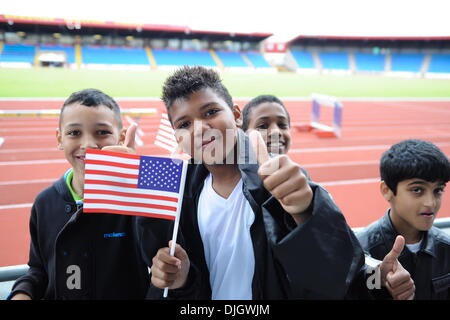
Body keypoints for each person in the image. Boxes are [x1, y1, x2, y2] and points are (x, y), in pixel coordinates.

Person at [147, 66, 414, 300]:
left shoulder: (280, 178)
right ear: (176, 137)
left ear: (237, 115)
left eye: (211, 112)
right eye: (184, 124)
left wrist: (307, 211)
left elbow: (335, 270)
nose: (199, 127)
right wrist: (182, 279)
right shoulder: (177, 188)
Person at [8, 89, 158, 300]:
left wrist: (138, 181)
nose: (88, 145)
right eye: (74, 133)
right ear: (59, 139)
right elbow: (39, 269)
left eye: (102, 132)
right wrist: (22, 294)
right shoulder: (45, 203)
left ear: (121, 137)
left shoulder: (135, 199)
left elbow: (162, 260)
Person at [357, 139, 450, 299]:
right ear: (387, 190)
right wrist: (379, 280)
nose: (431, 203)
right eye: (417, 190)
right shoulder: (363, 251)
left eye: (438, 190)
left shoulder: (446, 249)